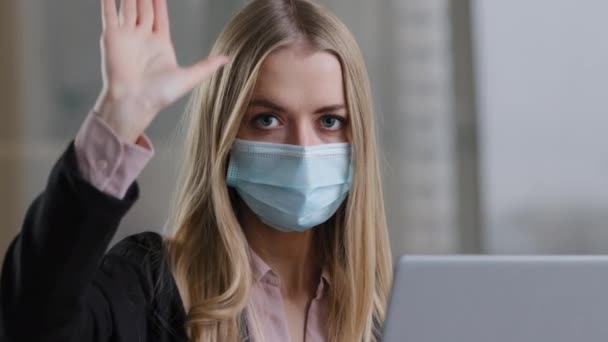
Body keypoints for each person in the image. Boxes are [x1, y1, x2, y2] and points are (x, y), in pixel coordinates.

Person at [0, 0, 392, 341]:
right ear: (224, 134)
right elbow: (32, 325)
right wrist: (116, 121)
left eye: (329, 122)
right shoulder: (149, 285)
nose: (302, 149)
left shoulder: (387, 314)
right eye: (268, 120)